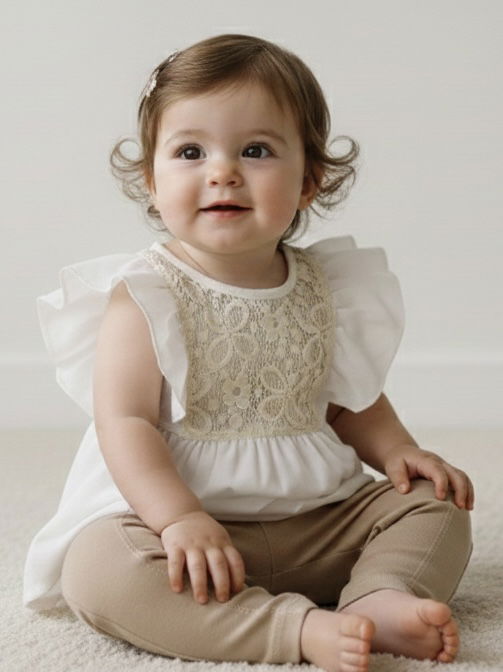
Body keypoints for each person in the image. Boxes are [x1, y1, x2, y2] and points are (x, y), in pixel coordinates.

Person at [23, 34, 473, 672]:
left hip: (318, 521)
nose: (222, 172)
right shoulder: (145, 294)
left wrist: (399, 449)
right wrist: (178, 517)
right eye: (190, 152)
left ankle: (380, 594)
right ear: (151, 180)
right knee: (100, 570)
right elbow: (124, 422)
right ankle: (294, 630)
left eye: (255, 150)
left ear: (309, 180)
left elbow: (347, 401)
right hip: (183, 533)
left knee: (436, 503)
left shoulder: (327, 286)